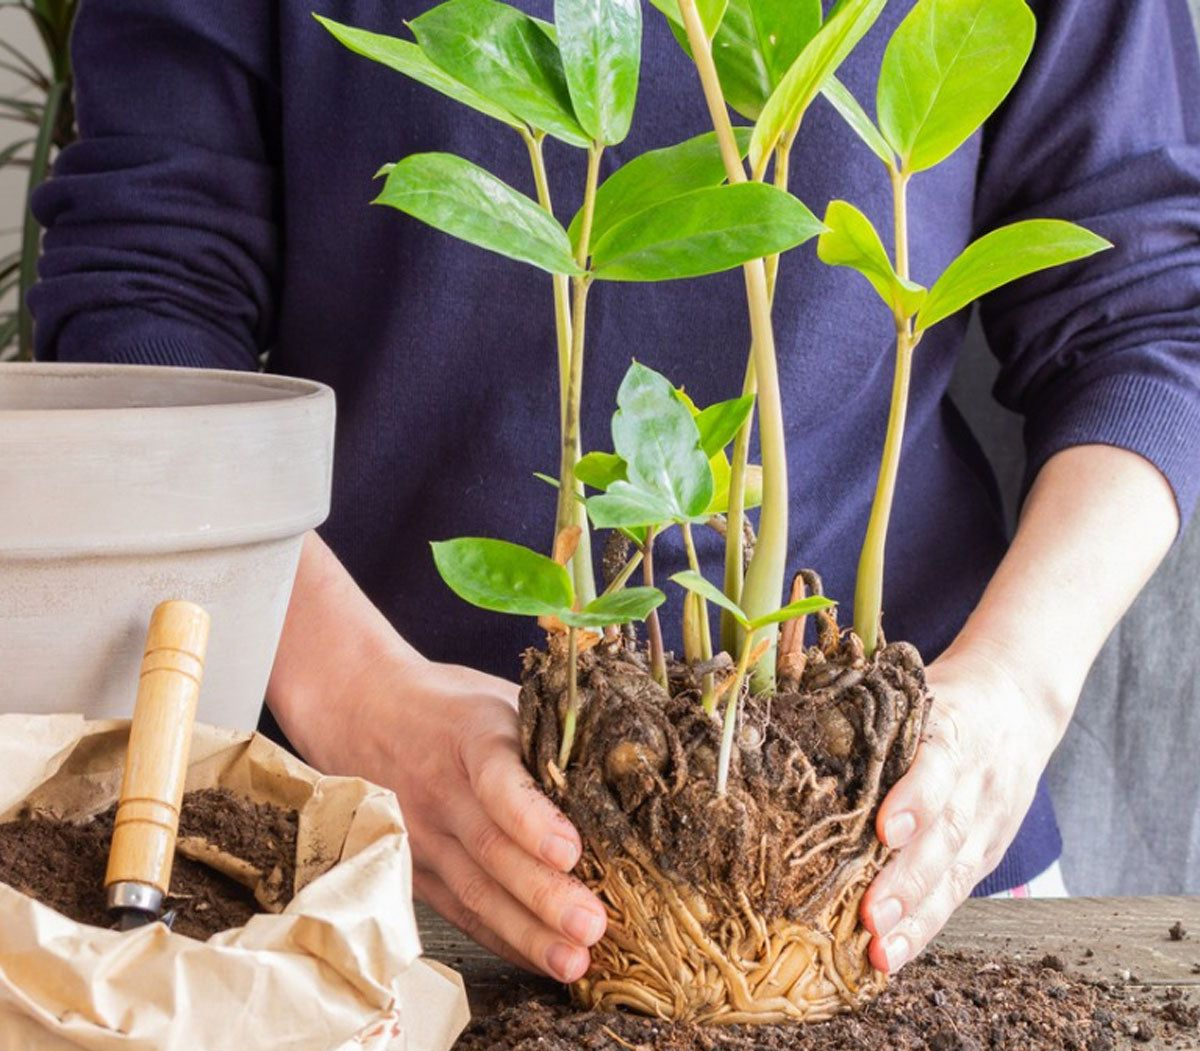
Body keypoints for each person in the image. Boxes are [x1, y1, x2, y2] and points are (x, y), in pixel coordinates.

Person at [30, 1, 1199, 981]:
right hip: (343, 857)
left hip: (900, 863)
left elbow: (1149, 318)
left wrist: (1013, 694)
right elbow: (142, 312)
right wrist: (351, 692)